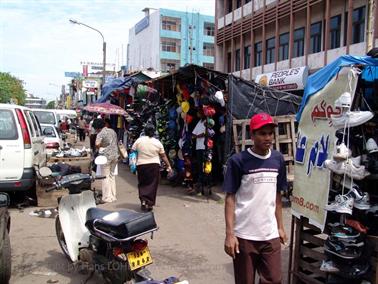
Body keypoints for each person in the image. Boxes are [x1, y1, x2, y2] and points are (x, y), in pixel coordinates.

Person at [223, 113, 288, 284]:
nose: (268, 137)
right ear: (252, 136)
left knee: (274, 279)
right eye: (262, 133)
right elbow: (230, 198)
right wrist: (230, 234)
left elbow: (277, 195)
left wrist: (280, 227)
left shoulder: (278, 159)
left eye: (270, 133)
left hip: (270, 234)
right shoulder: (238, 161)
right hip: (245, 236)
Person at [132, 124, 172, 211]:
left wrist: (132, 164)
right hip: (154, 165)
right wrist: (169, 166)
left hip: (141, 165)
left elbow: (133, 151)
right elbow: (163, 156)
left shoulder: (139, 140)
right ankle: (150, 204)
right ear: (154, 132)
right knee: (152, 184)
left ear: (145, 131)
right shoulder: (157, 142)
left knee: (142, 183)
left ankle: (143, 200)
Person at [93, 118, 119, 203]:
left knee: (105, 177)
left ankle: (107, 197)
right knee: (112, 175)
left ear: (97, 127)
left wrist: (100, 146)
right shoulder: (112, 131)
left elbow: (97, 145)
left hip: (106, 157)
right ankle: (113, 196)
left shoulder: (100, 134)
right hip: (115, 155)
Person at [191, 111, 206, 194]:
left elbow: (206, 133)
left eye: (199, 112)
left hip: (204, 146)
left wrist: (197, 136)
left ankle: (204, 182)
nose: (198, 114)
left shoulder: (206, 121)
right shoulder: (199, 122)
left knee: (205, 165)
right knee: (200, 165)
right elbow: (193, 133)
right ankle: (200, 182)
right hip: (198, 147)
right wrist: (196, 136)